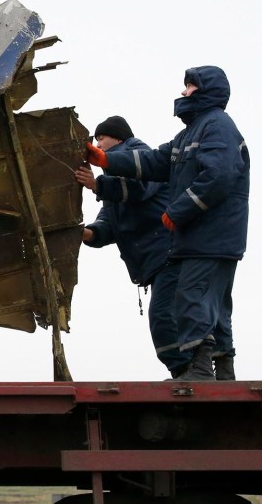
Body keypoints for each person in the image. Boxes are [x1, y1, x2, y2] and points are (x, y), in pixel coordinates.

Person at [84, 66, 249, 381]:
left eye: (189, 86)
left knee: (190, 297)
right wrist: (105, 161)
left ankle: (199, 370)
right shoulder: (192, 133)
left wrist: (179, 211)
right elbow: (155, 162)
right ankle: (223, 373)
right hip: (205, 236)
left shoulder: (216, 126)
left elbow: (219, 177)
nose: (183, 92)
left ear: (204, 91)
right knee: (213, 303)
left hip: (209, 234)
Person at [75, 116, 188, 378]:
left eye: (102, 138)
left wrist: (96, 184)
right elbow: (111, 219)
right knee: (172, 315)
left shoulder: (141, 157)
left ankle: (187, 371)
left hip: (169, 253)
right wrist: (89, 234)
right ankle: (188, 370)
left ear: (119, 138)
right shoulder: (114, 177)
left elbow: (139, 189)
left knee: (164, 315)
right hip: (159, 258)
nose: (98, 144)